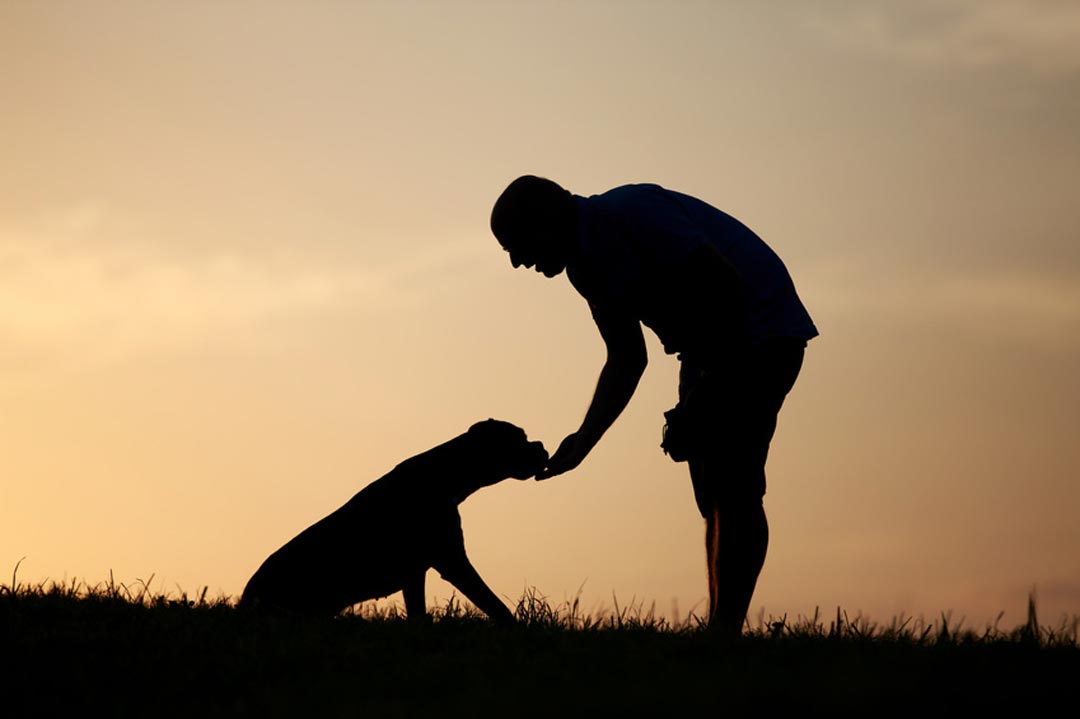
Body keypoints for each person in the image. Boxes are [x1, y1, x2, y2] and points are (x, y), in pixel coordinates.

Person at [490, 176, 818, 636]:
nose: (518, 262)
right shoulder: (584, 267)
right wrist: (583, 441)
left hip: (761, 333)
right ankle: (719, 633)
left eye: (516, 245)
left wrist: (706, 393)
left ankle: (723, 636)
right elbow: (627, 357)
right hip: (704, 350)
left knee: (733, 484)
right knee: (713, 492)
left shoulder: (631, 211)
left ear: (546, 218)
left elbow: (725, 285)